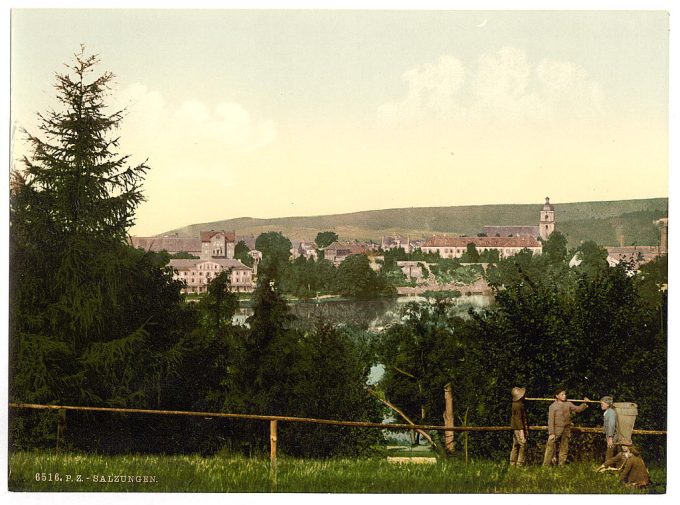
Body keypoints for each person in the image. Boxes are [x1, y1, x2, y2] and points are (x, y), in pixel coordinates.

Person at [542, 388, 590, 466]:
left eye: (565, 394)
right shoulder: (553, 406)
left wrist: (584, 404)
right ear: (557, 396)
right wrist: (552, 433)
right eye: (562, 394)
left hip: (566, 429)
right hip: (556, 430)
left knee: (564, 448)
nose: (564, 396)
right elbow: (550, 421)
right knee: (550, 447)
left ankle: (561, 465)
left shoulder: (568, 404)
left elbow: (577, 409)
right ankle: (546, 465)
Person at [510, 386, 528, 466]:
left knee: (516, 445)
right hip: (518, 429)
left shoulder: (516, 404)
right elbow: (518, 419)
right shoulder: (518, 406)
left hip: (516, 428)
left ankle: (512, 463)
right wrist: (522, 431)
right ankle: (519, 464)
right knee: (522, 445)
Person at [600, 396, 617, 461]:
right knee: (610, 452)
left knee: (610, 452)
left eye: (603, 403)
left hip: (612, 436)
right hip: (609, 436)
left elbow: (611, 425)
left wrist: (610, 437)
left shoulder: (611, 413)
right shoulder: (607, 412)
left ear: (607, 404)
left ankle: (608, 467)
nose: (601, 405)